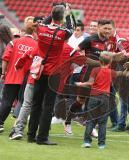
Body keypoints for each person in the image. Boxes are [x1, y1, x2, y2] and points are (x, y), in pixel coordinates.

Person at [27, 4, 73, 145]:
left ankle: (31, 135)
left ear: (51, 15)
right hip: (53, 72)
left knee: (36, 104)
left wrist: (55, 12)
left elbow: (46, 21)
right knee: (48, 106)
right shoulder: (62, 32)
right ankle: (42, 138)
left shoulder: (41, 27)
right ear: (62, 17)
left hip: (39, 70)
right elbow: (70, 27)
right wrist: (68, 14)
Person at [79, 51, 129, 149]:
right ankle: (101, 144)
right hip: (105, 98)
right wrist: (127, 70)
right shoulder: (111, 72)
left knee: (90, 120)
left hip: (94, 97)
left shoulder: (95, 70)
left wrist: (81, 84)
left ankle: (87, 142)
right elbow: (120, 73)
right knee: (103, 122)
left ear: (99, 61)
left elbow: (90, 83)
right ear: (110, 62)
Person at [0, 17, 37, 133]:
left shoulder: (13, 42)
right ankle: (16, 128)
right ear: (34, 32)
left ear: (23, 31)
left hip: (12, 77)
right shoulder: (36, 45)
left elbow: (5, 59)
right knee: (23, 104)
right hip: (27, 80)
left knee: (6, 102)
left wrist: (3, 73)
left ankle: (0, 123)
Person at [107, 22, 129, 132]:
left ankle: (121, 124)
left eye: (109, 28)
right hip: (118, 71)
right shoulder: (110, 40)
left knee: (123, 96)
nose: (106, 31)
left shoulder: (120, 40)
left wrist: (109, 57)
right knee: (125, 97)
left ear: (114, 28)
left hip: (126, 70)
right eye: (104, 28)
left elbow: (124, 57)